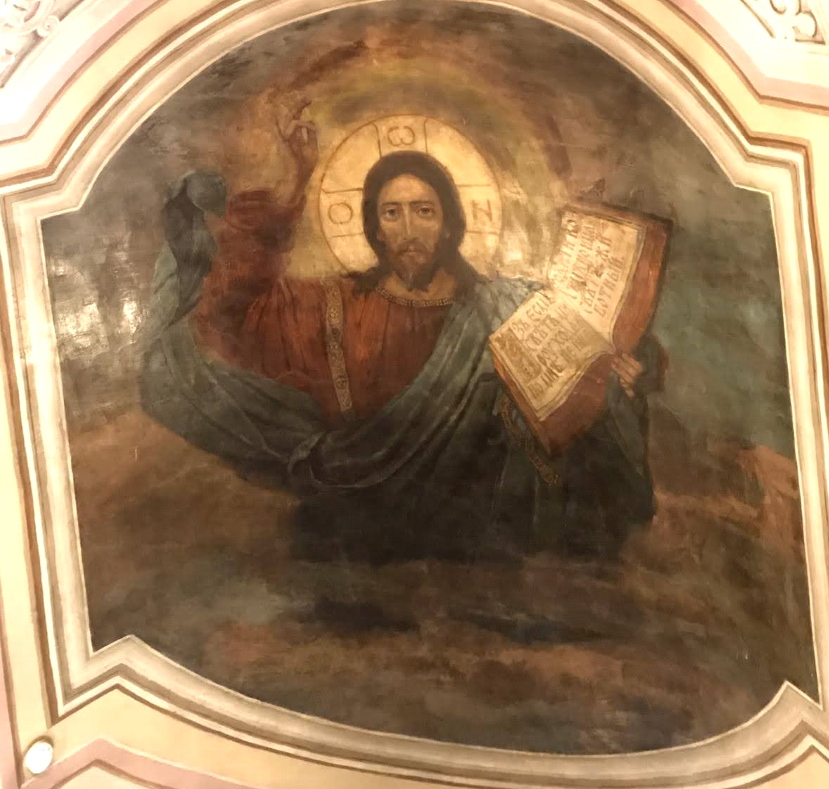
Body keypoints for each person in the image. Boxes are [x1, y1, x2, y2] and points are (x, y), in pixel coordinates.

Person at [141, 101, 664, 562]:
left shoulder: (505, 307)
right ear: (374, 227)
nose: (410, 231)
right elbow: (231, 314)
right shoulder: (332, 307)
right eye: (392, 213)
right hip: (367, 505)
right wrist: (292, 184)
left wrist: (622, 376)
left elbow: (579, 380)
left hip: (491, 526)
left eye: (424, 212)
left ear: (450, 223)